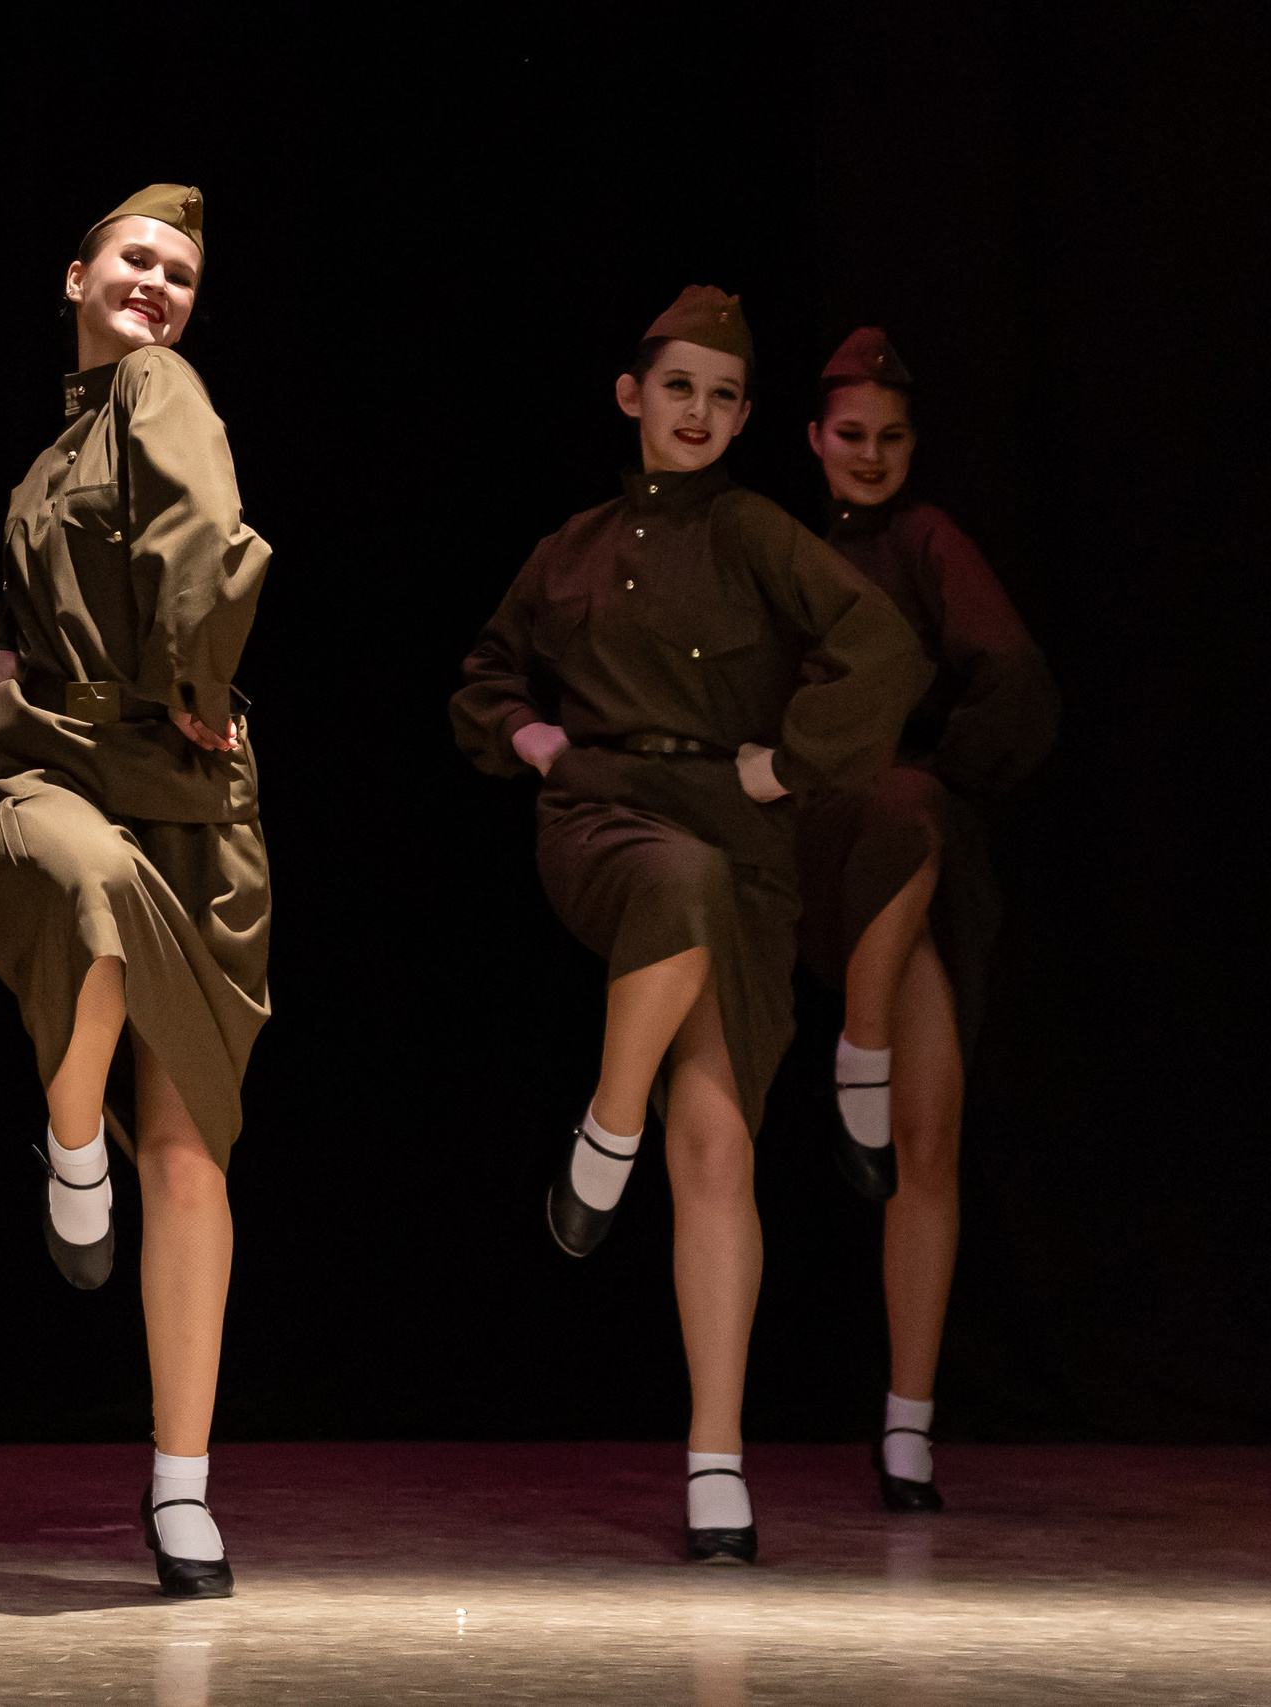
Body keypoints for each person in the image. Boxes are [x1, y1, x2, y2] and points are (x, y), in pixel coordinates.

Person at [449, 289, 929, 1563]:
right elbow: (486, 675)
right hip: (606, 814)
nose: (699, 414)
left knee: (718, 1146)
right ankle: (605, 1131)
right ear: (632, 395)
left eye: (722, 396)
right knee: (674, 884)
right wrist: (528, 734)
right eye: (678, 388)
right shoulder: (571, 544)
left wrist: (796, 764)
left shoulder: (756, 529)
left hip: (738, 829)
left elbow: (880, 645)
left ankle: (715, 1459)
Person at [0, 185, 269, 1599]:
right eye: (136, 259)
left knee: (191, 1151)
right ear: (73, 271)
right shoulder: (50, 451)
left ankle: (183, 1484)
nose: (157, 285)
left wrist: (201, 687)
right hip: (59, 767)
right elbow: (26, 595)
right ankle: (73, 1144)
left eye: (180, 272)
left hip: (190, 788)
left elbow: (205, 528)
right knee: (80, 895)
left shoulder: (158, 381)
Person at [798, 327, 1058, 1512]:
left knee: (928, 1142)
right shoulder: (780, 544)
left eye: (890, 439)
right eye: (850, 436)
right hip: (801, 836)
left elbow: (1009, 667)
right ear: (813, 439)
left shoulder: (927, 540)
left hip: (900, 848)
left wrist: (948, 765)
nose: (868, 455)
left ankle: (908, 1427)